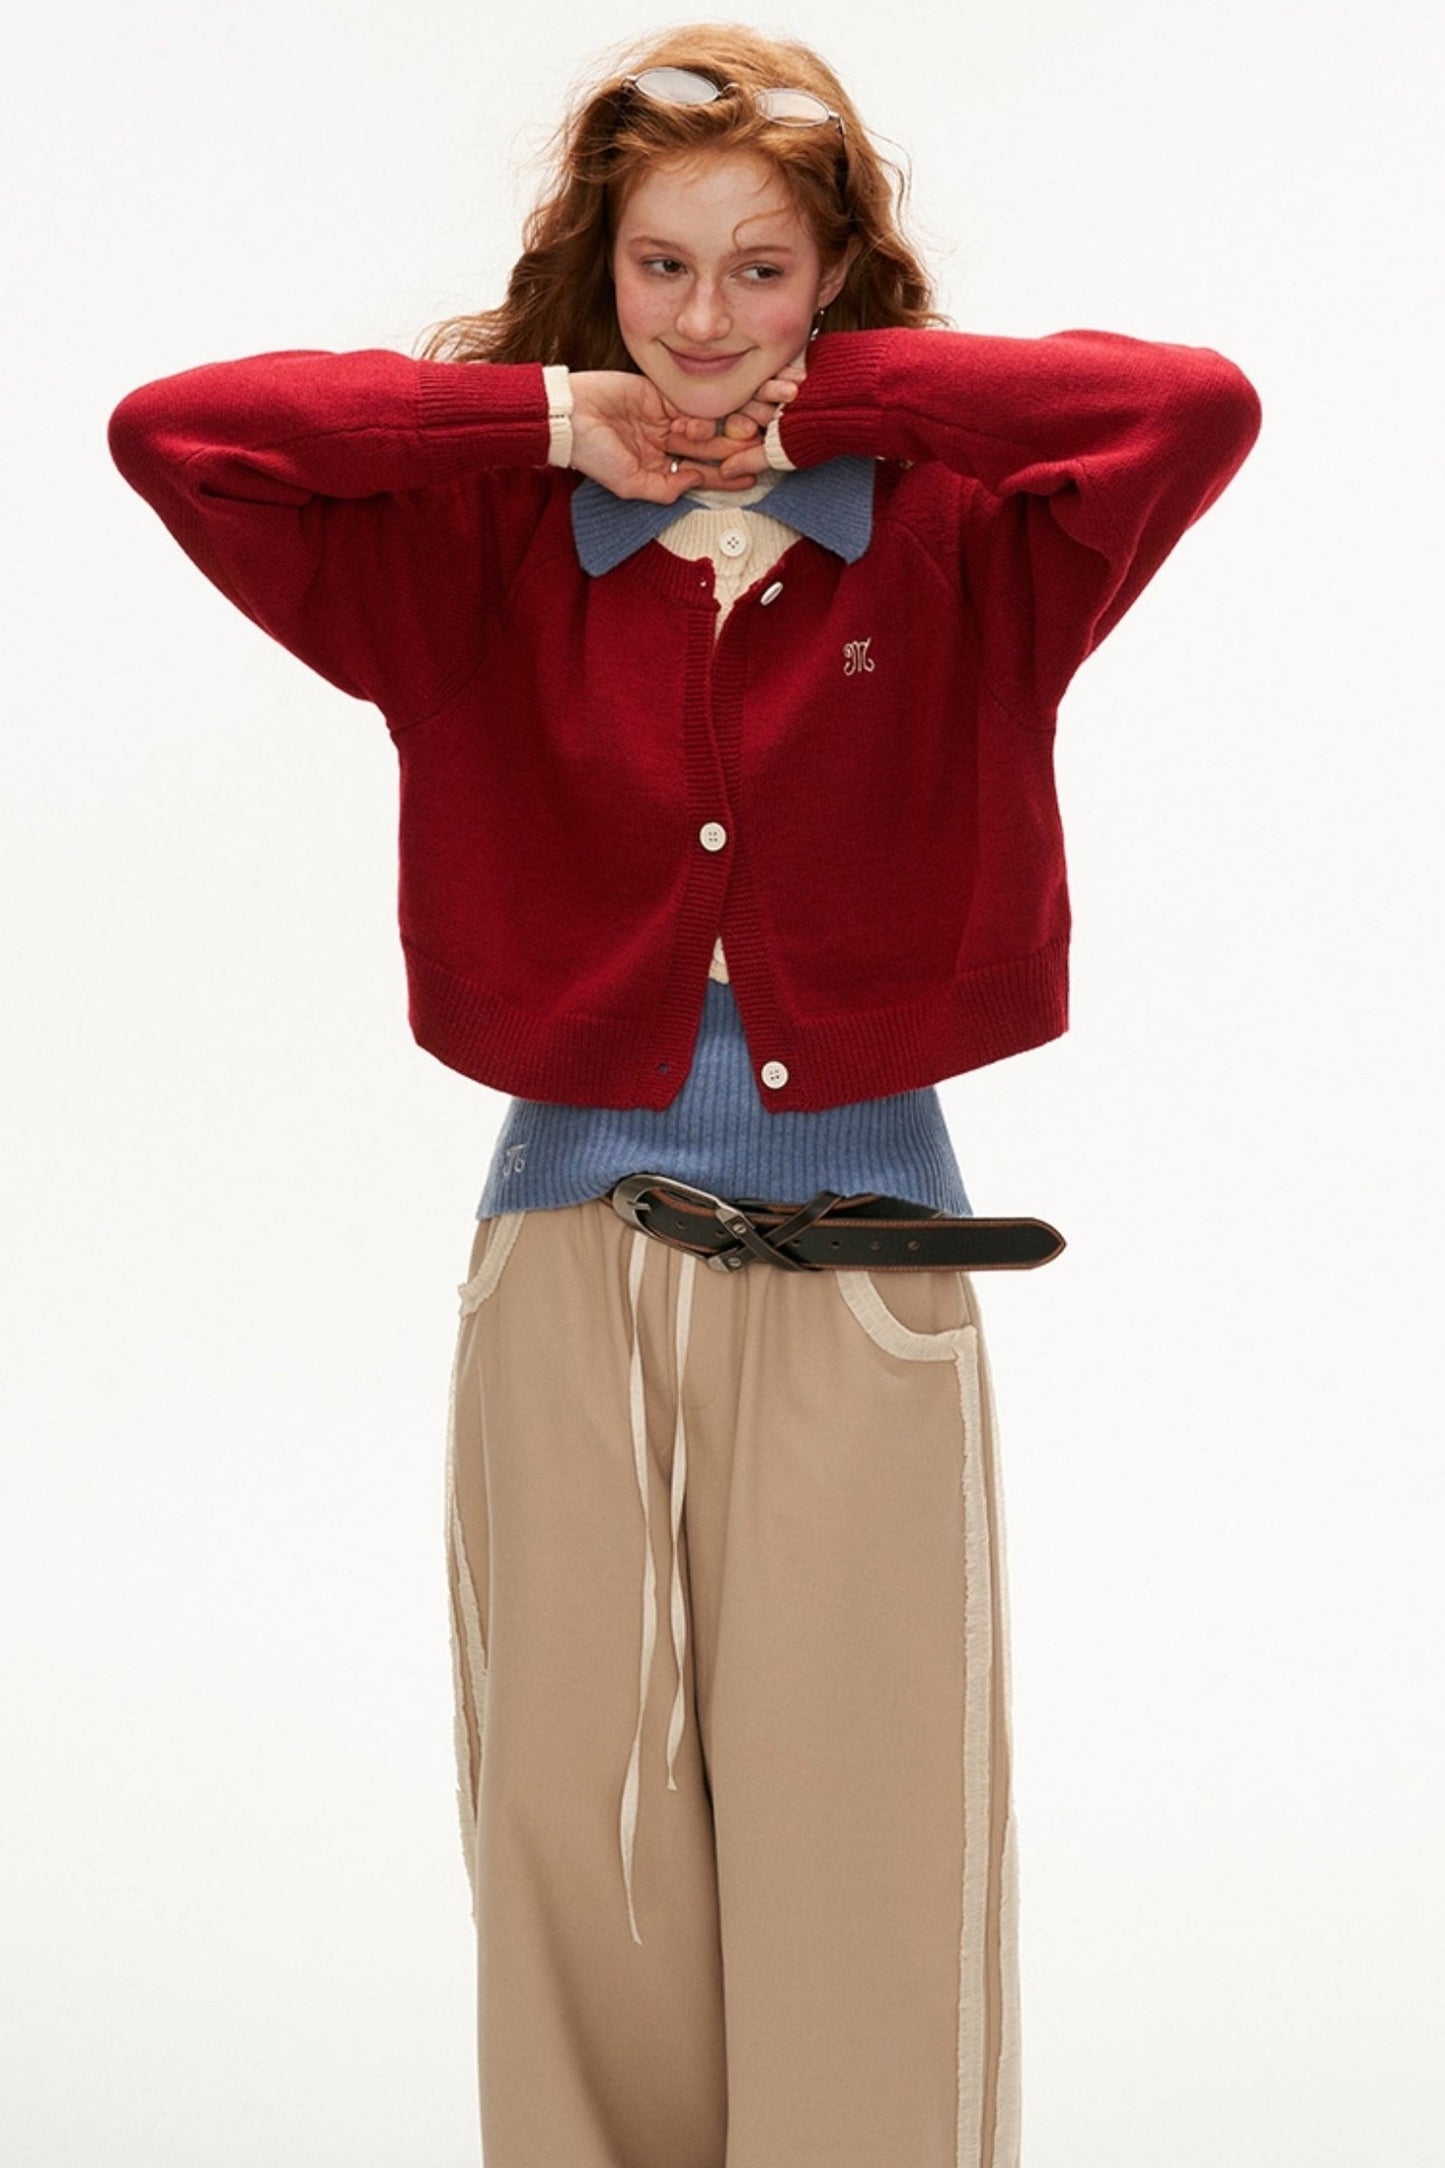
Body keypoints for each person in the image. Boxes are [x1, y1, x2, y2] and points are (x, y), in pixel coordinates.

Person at [106, 21, 1262, 2167]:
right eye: (661, 266)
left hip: (871, 1268)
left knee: (869, 1828)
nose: (707, 319)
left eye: (760, 269)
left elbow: (1189, 407)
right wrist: (550, 416)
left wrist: (852, 403)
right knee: (573, 1830)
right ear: (601, 274)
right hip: (562, 1263)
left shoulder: (966, 547)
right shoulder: (472, 563)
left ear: (832, 283)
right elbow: (180, 435)